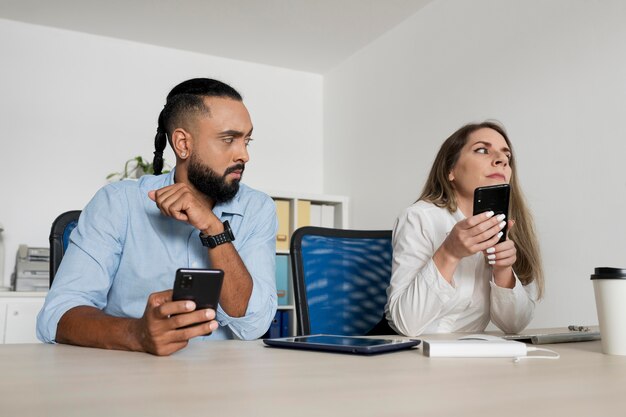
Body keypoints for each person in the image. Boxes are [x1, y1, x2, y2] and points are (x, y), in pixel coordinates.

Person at [37, 78, 278, 355]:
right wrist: (136, 334)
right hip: (127, 375)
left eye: (247, 140)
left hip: (219, 380)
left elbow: (253, 326)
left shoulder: (257, 208)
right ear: (182, 144)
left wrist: (214, 229)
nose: (244, 154)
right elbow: (56, 316)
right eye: (228, 139)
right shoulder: (118, 203)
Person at [384, 121, 544, 337]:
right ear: (451, 170)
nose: (501, 160)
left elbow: (514, 326)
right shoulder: (418, 218)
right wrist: (449, 253)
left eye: (507, 156)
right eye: (482, 150)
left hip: (468, 356)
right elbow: (406, 325)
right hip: (410, 354)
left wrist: (503, 270)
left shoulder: (508, 227)